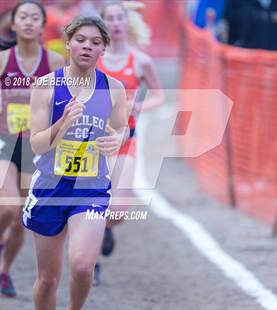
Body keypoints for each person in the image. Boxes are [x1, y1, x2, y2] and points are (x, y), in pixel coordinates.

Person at [23, 15, 129, 310]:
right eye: (80, 40)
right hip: (49, 189)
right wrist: (64, 124)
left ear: (103, 49)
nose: (87, 47)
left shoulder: (114, 88)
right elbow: (37, 143)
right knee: (48, 279)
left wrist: (119, 138)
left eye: (95, 42)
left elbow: (123, 126)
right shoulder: (46, 86)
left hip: (90, 189)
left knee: (83, 266)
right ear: (67, 44)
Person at [0, 0, 65, 297]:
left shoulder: (53, 62)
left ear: (42, 25)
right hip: (3, 139)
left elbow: (67, 94)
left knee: (22, 216)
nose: (28, 22)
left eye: (34, 18)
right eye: (22, 17)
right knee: (9, 207)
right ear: (12, 25)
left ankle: (5, 271)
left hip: (35, 147)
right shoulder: (0, 60)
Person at [94, 0, 164, 285]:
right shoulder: (92, 58)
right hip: (94, 141)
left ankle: (106, 229)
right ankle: (93, 258)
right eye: (109, 18)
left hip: (126, 138)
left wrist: (138, 107)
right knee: (95, 203)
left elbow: (159, 95)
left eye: (120, 18)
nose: (115, 23)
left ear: (127, 22)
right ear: (102, 24)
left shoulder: (140, 61)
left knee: (118, 212)